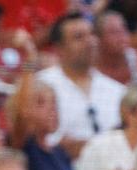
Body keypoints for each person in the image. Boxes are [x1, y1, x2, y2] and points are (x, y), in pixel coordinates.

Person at [36, 12, 125, 159]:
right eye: (79, 37)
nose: (89, 42)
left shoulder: (117, 91)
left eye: (91, 34)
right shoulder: (41, 86)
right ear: (59, 49)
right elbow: (35, 141)